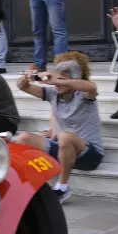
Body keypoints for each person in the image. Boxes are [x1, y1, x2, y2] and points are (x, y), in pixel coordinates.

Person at [16, 52, 105, 204]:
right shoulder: (53, 93)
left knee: (64, 136)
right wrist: (28, 76)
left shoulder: (83, 93)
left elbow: (92, 87)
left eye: (60, 80)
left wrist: (65, 81)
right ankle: (34, 183)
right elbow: (22, 86)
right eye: (55, 79)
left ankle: (62, 187)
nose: (56, 84)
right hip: (64, 150)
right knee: (24, 138)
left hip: (90, 154)